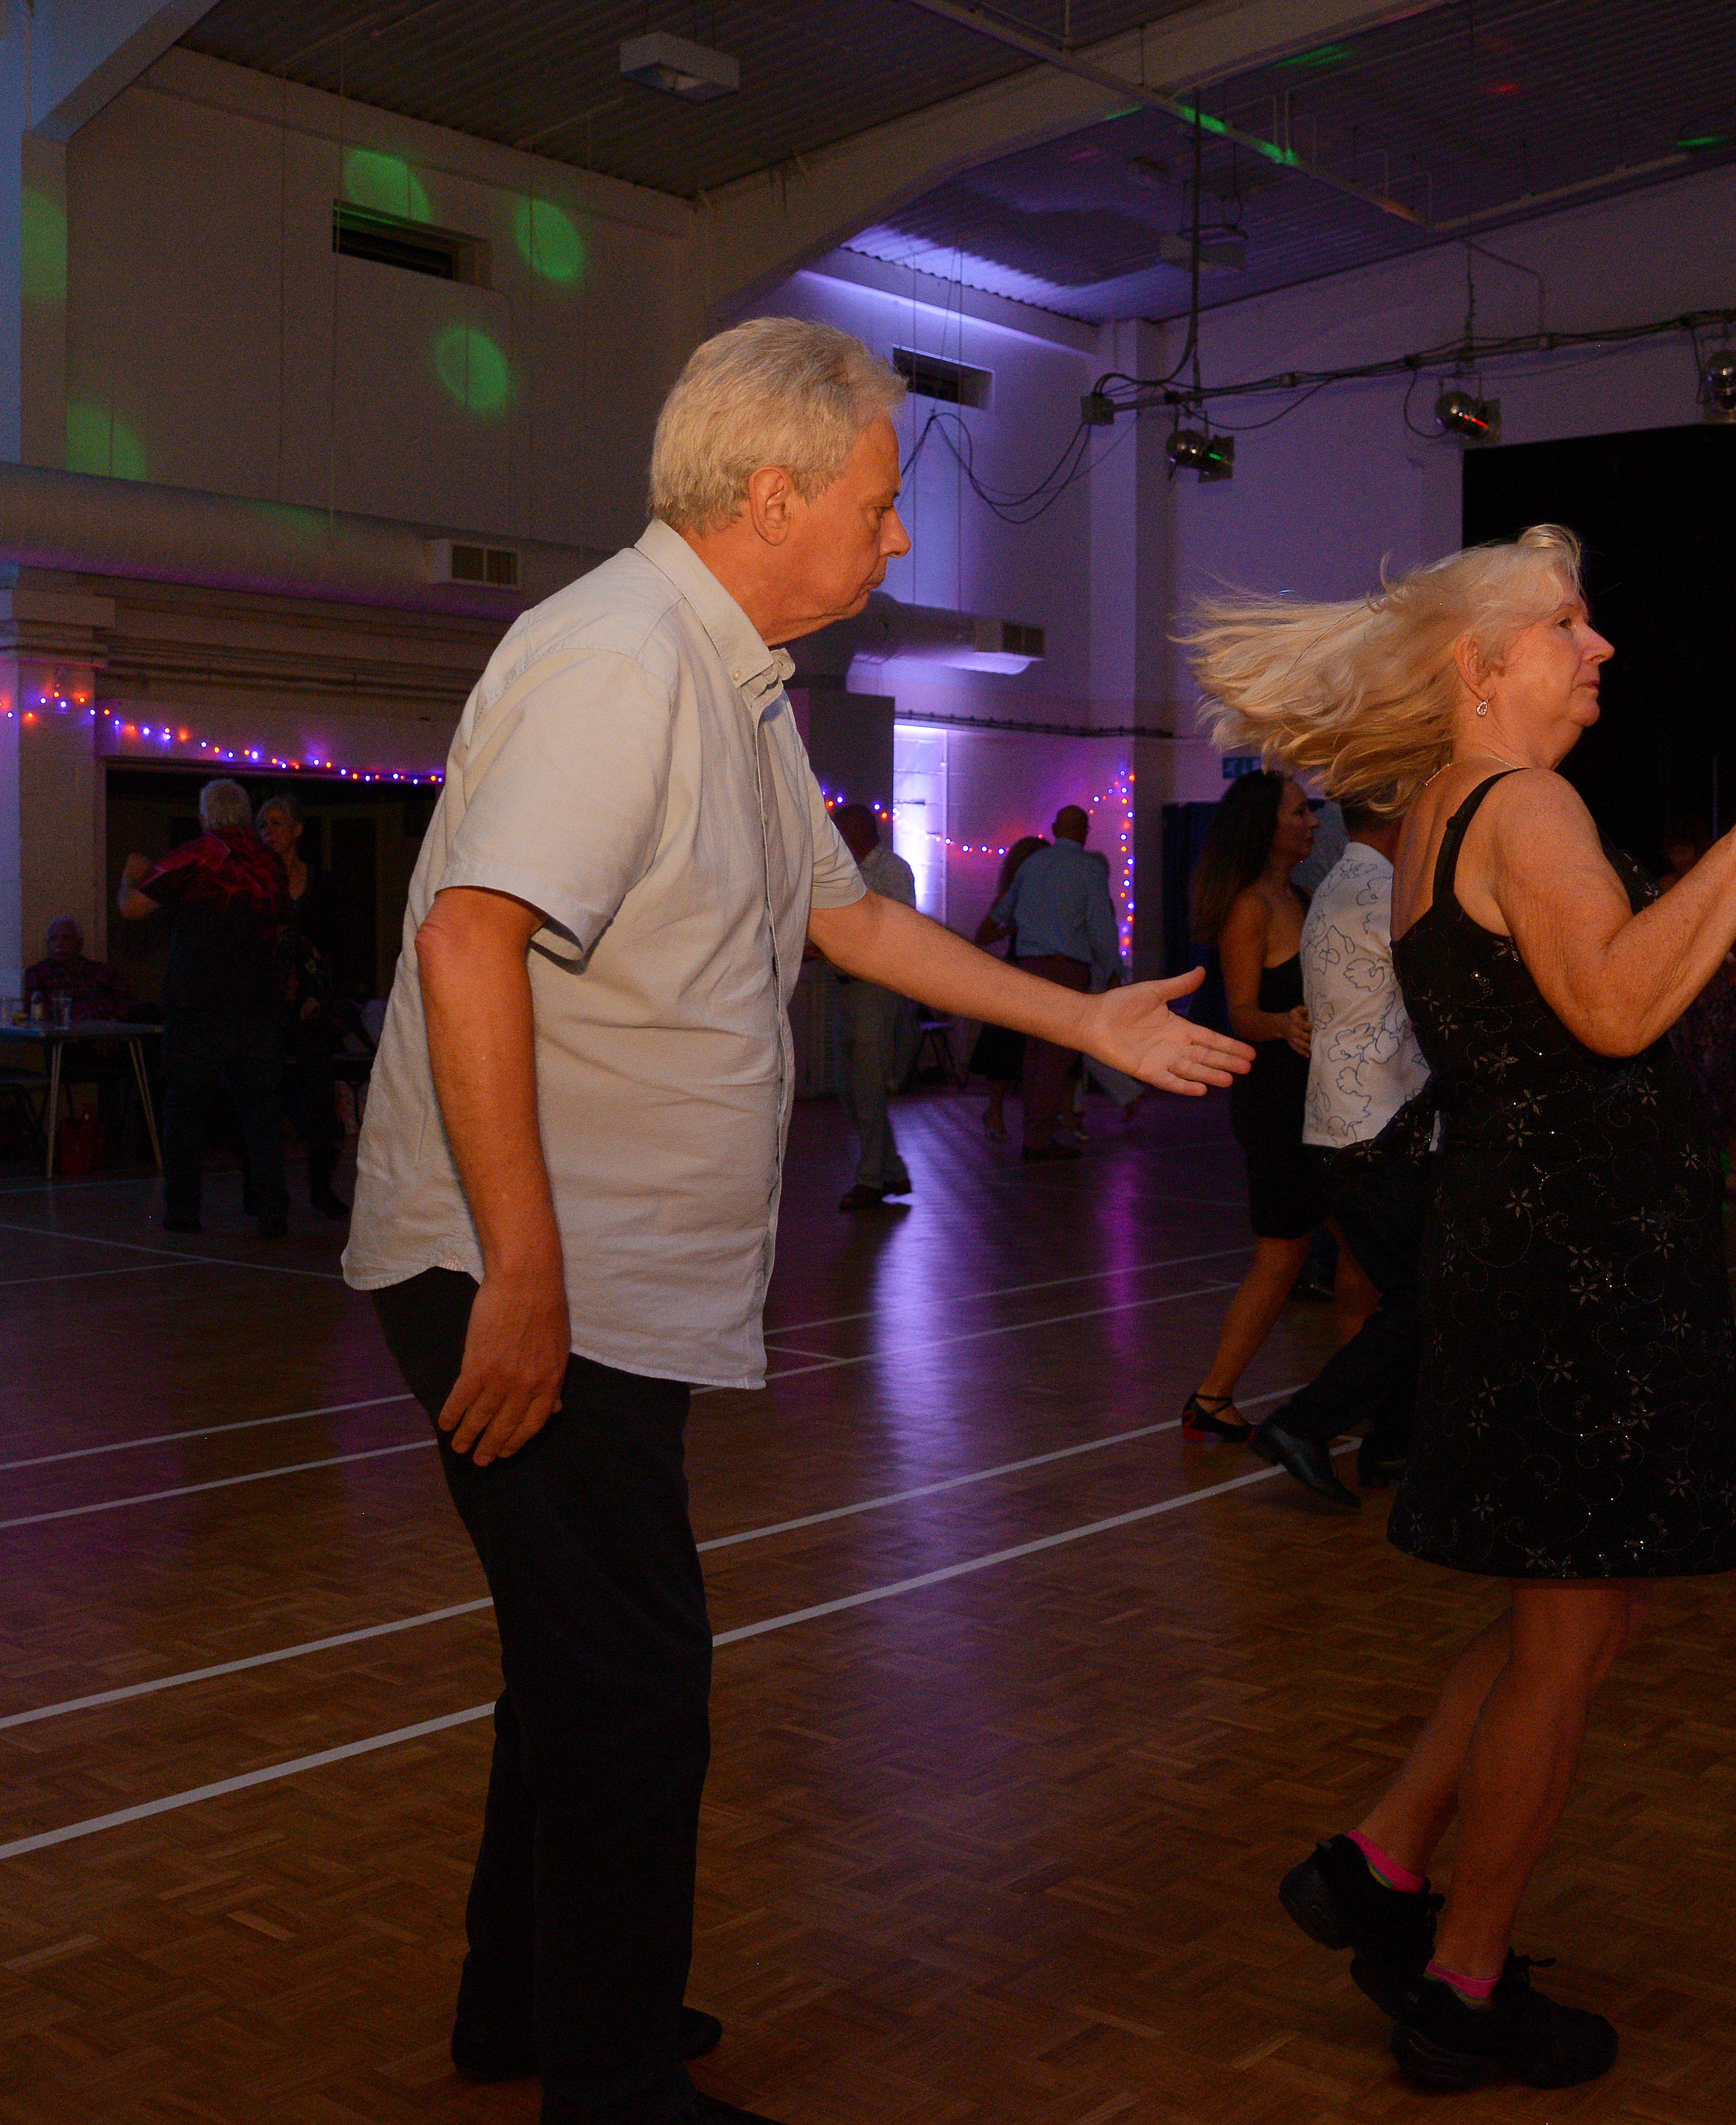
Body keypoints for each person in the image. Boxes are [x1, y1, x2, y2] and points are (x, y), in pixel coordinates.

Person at [340, 317, 1250, 2125]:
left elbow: (849, 920)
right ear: (770, 495)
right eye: (876, 501)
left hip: (596, 1269)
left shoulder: (729, 673)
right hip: (530, 1265)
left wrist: (1082, 1020)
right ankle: (608, 2079)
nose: (894, 537)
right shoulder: (620, 661)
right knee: (634, 1679)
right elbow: (465, 940)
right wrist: (524, 1266)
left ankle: (526, 2006)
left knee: (582, 1659)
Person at [1189, 523, 1736, 2092]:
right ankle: (1464, 1985)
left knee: (1588, 1604)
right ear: (1482, 663)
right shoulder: (1527, 803)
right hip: (1575, 1267)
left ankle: (1380, 1859)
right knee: (1567, 1635)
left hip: (1542, 1245)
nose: (1598, 644)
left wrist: (1696, 924)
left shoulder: (1444, 810)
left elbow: (1581, 990)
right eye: (1568, 623)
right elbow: (1612, 1009)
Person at [1248, 792, 1432, 1508]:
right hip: (1375, 1127)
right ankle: (1302, 1424)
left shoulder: (1337, 882)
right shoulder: (1383, 892)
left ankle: (1390, 1446)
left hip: (1346, 1123)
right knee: (1422, 1299)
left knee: (1408, 1293)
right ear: (1399, 814)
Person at [1175, 769, 1331, 1444]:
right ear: (1266, 828)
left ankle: (1359, 1399)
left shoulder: (1301, 895)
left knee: (1356, 1257)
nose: (1312, 823)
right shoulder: (1251, 908)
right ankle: (1212, 1397)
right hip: (1276, 1101)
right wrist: (1284, 1024)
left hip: (1319, 1099)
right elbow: (1240, 1013)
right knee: (1281, 1256)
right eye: (1299, 813)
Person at [117, 778, 291, 1237]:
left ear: (204, 816)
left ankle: (184, 1211)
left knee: (186, 1110)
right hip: (258, 1005)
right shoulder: (269, 863)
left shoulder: (194, 856)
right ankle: (272, 1210)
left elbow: (132, 908)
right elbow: (281, 922)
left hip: (198, 1006)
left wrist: (132, 874)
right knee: (262, 1113)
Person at [983, 804, 1122, 1161]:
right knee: (1055, 1059)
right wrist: (1112, 969)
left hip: (1028, 967)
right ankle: (1038, 1138)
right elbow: (1101, 927)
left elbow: (1003, 911)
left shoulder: (1032, 865)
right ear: (1085, 832)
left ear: (1055, 829)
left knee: (1034, 1055)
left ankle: (1034, 1131)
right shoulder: (1089, 869)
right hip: (1067, 969)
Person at [1656, 818, 1736, 1194]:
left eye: (1685, 849)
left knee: (1722, 1079)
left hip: (1717, 995)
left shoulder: (1714, 882)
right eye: (1673, 850)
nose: (1678, 856)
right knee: (1685, 1081)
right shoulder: (1665, 886)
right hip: (1682, 993)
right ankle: (1696, 1164)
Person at [258, 793, 350, 1217]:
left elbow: (335, 943)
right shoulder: (255, 885)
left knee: (318, 1095)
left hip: (312, 1002)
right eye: (265, 824)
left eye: (278, 823)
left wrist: (320, 993)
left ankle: (321, 1186)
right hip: (268, 1001)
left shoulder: (321, 882)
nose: (270, 832)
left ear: (297, 829)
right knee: (265, 1094)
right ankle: (264, 1191)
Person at [828, 802, 917, 1212]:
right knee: (853, 1088)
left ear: (860, 831)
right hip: (851, 985)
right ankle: (891, 1170)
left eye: (841, 830)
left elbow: (898, 930)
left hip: (876, 987)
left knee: (865, 1086)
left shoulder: (892, 871)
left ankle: (871, 1179)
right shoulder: (848, 872)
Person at [968, 834, 1046, 1139]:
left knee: (1033, 1050)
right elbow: (983, 935)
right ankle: (996, 1111)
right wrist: (1010, 929)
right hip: (1016, 975)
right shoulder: (1009, 898)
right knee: (1007, 1048)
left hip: (1036, 975)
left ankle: (1031, 1116)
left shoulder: (1045, 898)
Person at [23, 915, 131, 1022]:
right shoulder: (38, 974)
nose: (59, 944)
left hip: (103, 1030)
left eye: (66, 938)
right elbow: (35, 1015)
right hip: (60, 1032)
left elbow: (127, 1006)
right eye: (53, 939)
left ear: (80, 943)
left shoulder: (103, 972)